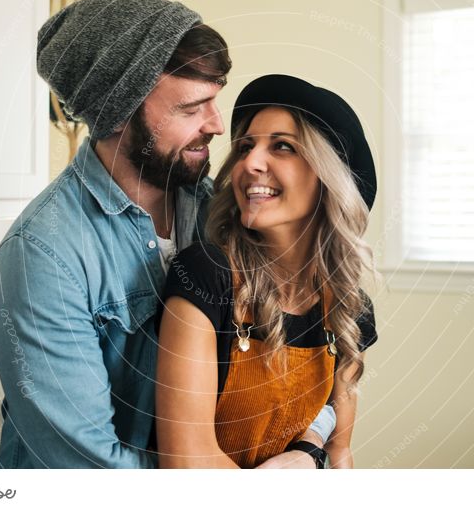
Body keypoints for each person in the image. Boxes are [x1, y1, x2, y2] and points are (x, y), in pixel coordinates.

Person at [0, 0, 334, 468]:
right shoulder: (43, 256)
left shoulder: (222, 210)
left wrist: (309, 446)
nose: (216, 125)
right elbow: (85, 465)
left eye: (215, 100)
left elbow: (302, 355)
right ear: (118, 113)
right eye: (192, 108)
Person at [155, 74, 378, 469]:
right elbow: (187, 464)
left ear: (328, 178)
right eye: (245, 147)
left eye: (283, 147)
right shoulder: (206, 277)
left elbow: (339, 453)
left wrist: (309, 455)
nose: (250, 163)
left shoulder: (348, 309)